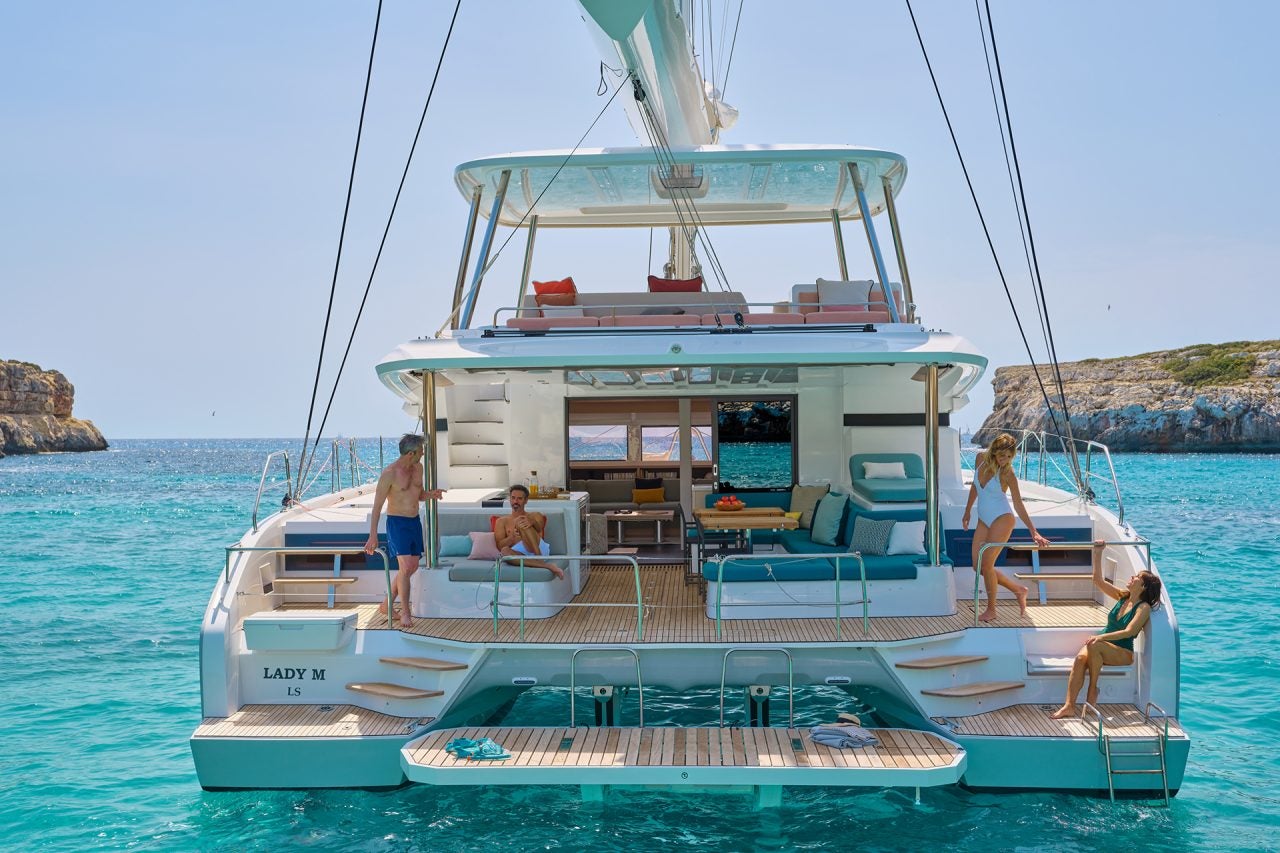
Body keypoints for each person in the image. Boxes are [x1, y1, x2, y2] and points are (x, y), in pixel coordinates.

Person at [1051, 541, 1162, 719]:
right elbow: (1097, 581)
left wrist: (1101, 639)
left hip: (1122, 651)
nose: (1132, 578)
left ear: (1142, 587)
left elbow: (1130, 632)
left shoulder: (1143, 608)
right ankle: (1069, 706)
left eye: (1136, 578)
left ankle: (1092, 689)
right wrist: (1098, 552)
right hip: (1102, 645)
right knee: (1080, 659)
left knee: (1095, 645)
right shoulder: (1123, 596)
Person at [962, 432, 1050, 622]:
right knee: (977, 566)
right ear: (994, 451)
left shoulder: (1007, 473)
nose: (1005, 460)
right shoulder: (980, 459)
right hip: (983, 519)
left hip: (1002, 518)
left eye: (1010, 457)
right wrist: (967, 511)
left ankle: (992, 610)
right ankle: (1018, 589)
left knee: (987, 564)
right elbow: (975, 487)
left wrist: (1033, 531)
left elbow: (1018, 504)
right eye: (1002, 455)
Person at [364, 433, 444, 627]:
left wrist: (431, 494)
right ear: (411, 453)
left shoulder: (418, 468)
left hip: (414, 521)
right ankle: (406, 613)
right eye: (421, 451)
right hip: (397, 523)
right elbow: (377, 507)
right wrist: (372, 535)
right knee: (406, 567)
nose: (423, 454)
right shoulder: (389, 473)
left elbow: (418, 494)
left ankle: (386, 605)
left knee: (411, 568)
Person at [493, 484, 565, 579]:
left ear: (526, 500)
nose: (515, 501)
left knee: (521, 521)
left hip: (538, 549)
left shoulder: (535, 515)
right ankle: (544, 565)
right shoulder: (501, 521)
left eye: (519, 499)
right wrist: (512, 538)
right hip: (519, 554)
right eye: (513, 498)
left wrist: (532, 521)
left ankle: (539, 558)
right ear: (509, 499)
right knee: (504, 551)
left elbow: (539, 527)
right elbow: (499, 545)